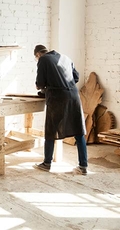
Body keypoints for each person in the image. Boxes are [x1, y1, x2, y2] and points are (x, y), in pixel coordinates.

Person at [33, 44, 88, 175]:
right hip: (74, 96)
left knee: (51, 130)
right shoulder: (65, 58)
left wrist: (42, 88)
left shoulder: (43, 60)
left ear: (38, 55)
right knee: (79, 131)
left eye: (36, 58)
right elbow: (76, 78)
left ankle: (47, 163)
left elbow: (40, 83)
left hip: (58, 98)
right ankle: (83, 166)